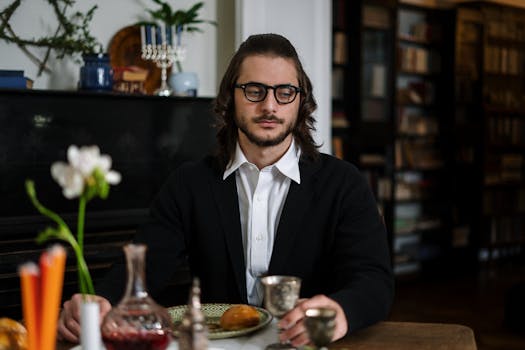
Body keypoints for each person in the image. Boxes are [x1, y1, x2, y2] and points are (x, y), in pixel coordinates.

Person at [58, 33, 394, 347]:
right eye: (254, 90)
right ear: (229, 98)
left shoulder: (344, 183)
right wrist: (99, 301)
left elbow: (375, 281)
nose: (269, 106)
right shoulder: (188, 184)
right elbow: (143, 267)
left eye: (285, 92)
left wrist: (340, 312)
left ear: (300, 102)